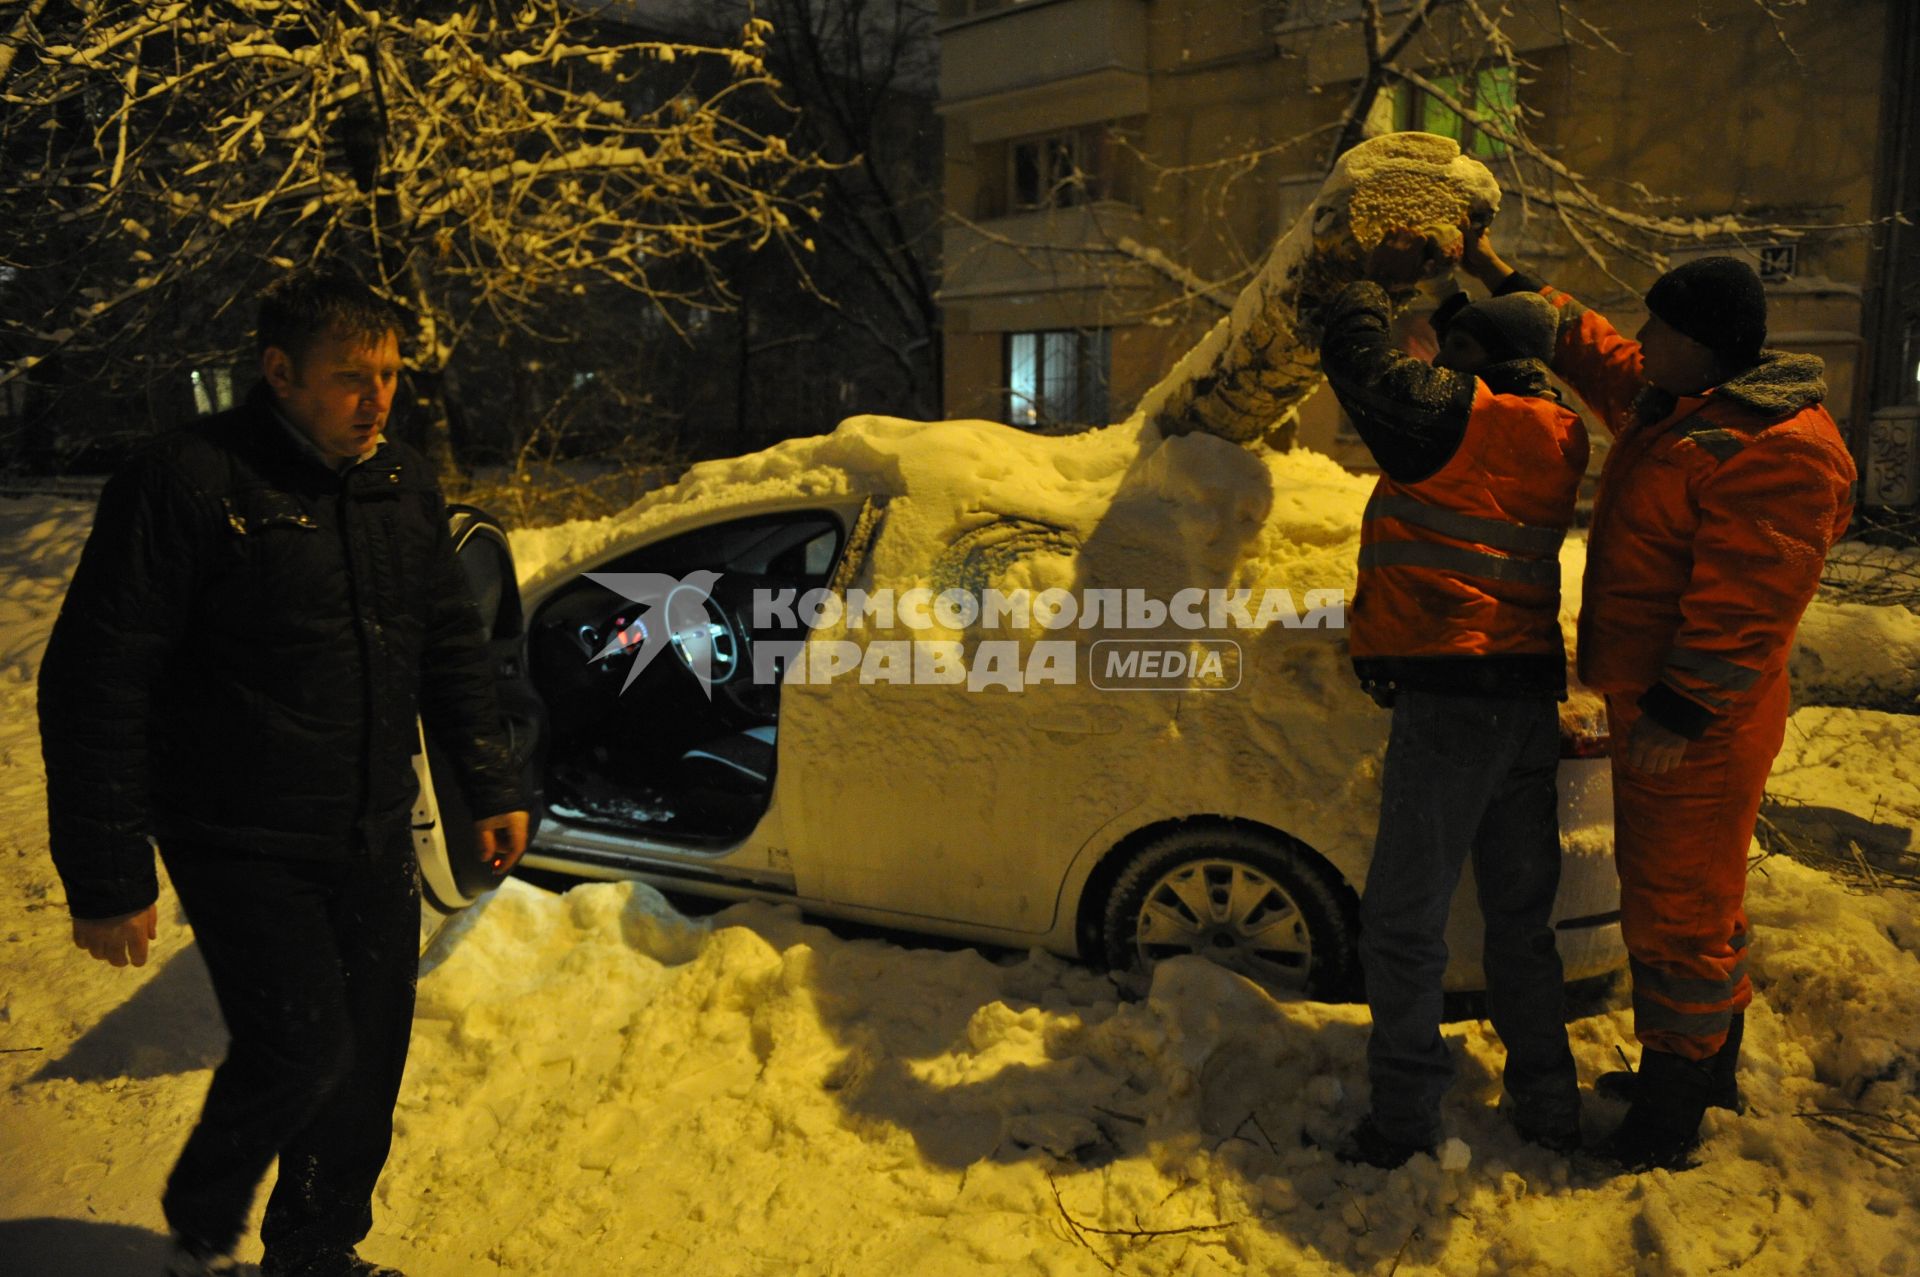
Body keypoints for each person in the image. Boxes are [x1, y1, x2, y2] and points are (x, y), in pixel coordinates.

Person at [38, 267, 532, 1277]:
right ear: (279, 372)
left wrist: (491, 783)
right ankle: (197, 1222)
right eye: (352, 376)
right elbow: (98, 677)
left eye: (390, 374)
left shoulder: (401, 483)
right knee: (304, 1044)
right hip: (238, 831)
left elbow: (449, 646)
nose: (379, 397)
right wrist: (108, 875)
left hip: (368, 823)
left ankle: (316, 1246)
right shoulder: (188, 483)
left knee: (368, 1053)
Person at [1460, 233, 1856, 1171]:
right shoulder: (1683, 404)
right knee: (1700, 902)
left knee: (1676, 911)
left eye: (1660, 326)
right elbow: (1603, 352)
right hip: (1667, 705)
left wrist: (1682, 712)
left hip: (1703, 723)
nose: (1643, 338)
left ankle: (1671, 1111)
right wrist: (1504, 279)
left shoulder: (1776, 449)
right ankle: (1707, 1065)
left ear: (1704, 344)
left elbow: (1752, 602)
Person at [1314, 231, 1589, 1168]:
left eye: (1455, 347)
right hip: (1521, 700)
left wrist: (1359, 280)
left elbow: (1359, 362)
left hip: (1456, 703)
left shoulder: (1466, 418)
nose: (1438, 357)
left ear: (1484, 362)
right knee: (1520, 921)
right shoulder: (1556, 428)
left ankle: (1402, 1120)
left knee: (1402, 919)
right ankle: (1548, 1100)